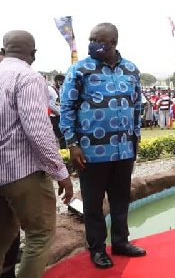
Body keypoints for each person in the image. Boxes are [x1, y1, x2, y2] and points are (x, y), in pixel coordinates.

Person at [60, 23, 146, 269]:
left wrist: (135, 137)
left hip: (124, 149)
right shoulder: (80, 70)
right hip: (90, 152)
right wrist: (72, 144)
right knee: (93, 203)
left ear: (113, 43)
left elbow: (137, 106)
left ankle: (120, 242)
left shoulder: (131, 70)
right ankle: (97, 249)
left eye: (99, 39)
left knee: (120, 199)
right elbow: (67, 108)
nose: (93, 43)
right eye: (91, 38)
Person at [0, 30, 73, 278]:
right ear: (33, 53)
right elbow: (39, 132)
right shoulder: (28, 77)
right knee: (39, 235)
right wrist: (61, 173)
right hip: (22, 173)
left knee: (3, 237)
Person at [48, 74, 66, 149]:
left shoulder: (59, 91)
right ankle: (63, 154)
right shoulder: (49, 89)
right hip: (52, 117)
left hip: (58, 117)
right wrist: (54, 111)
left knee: (61, 137)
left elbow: (57, 103)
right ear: (58, 81)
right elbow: (43, 102)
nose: (63, 84)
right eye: (62, 82)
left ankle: (63, 154)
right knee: (61, 137)